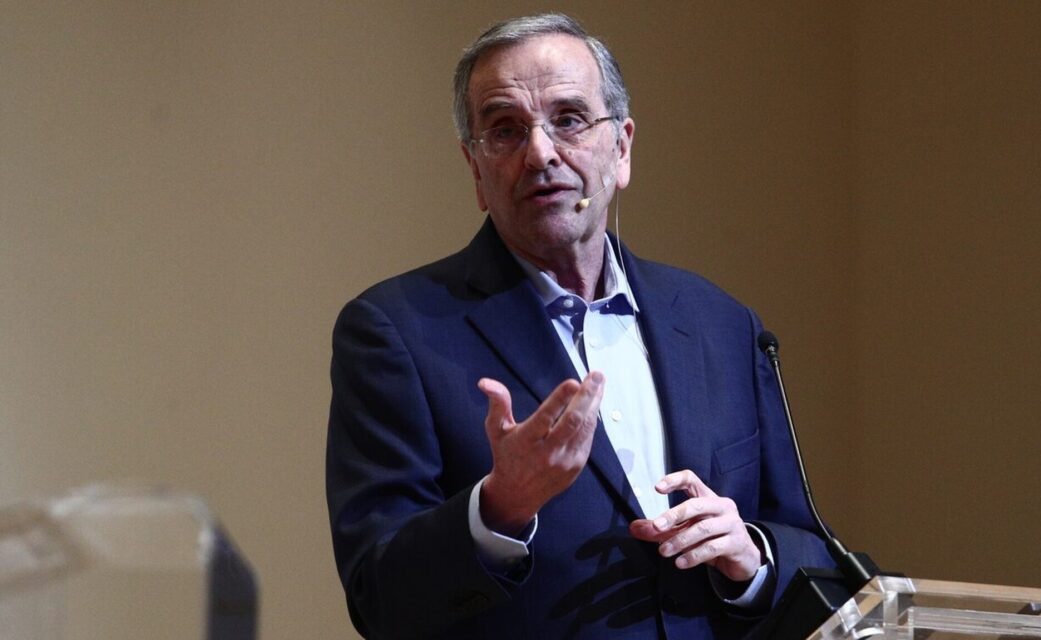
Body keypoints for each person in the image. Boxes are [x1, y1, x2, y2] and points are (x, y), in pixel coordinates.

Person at [327, 13, 833, 640]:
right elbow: (378, 597)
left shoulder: (721, 325)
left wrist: (754, 559)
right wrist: (500, 508)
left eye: (568, 119)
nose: (540, 153)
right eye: (505, 130)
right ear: (476, 169)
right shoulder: (398, 332)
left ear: (621, 149)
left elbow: (813, 551)